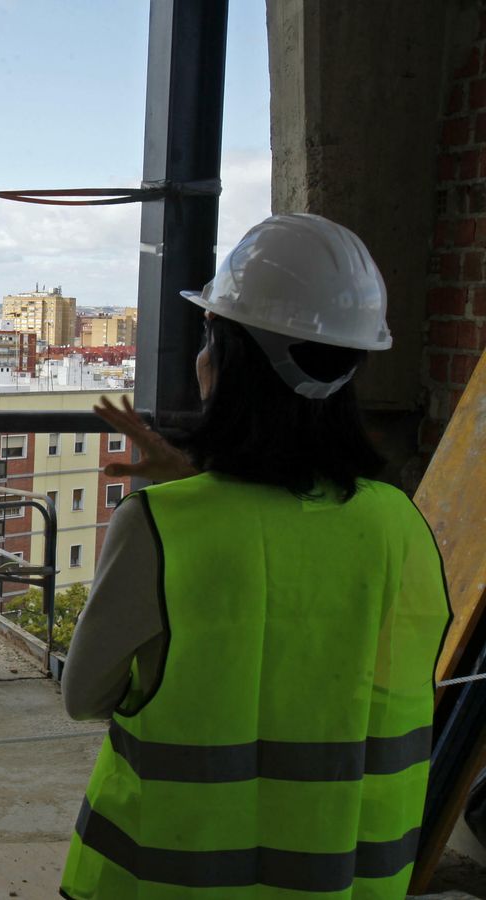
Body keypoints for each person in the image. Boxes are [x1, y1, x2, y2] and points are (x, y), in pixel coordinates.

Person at [59, 213, 452, 899]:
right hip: (348, 882)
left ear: (226, 360)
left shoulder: (160, 526)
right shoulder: (402, 524)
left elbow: (84, 694)